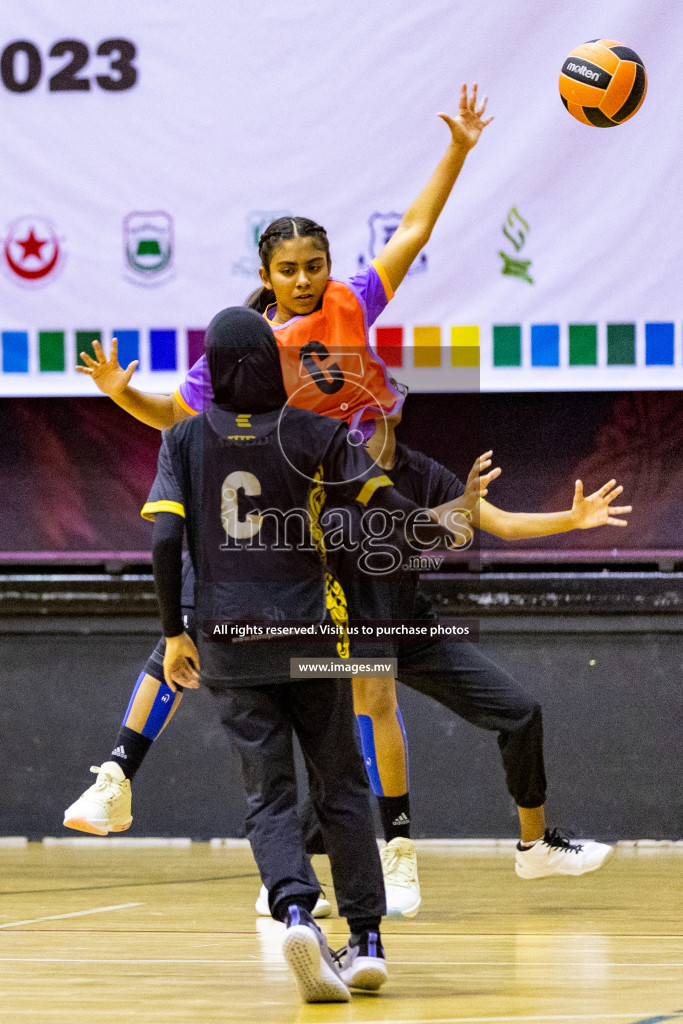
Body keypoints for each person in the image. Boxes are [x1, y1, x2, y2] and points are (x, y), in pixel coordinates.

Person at [65, 85, 493, 911]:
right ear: (263, 276)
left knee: (358, 687)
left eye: (313, 266)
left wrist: (458, 151)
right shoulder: (247, 349)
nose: (303, 280)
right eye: (288, 270)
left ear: (328, 268)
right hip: (289, 523)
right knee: (209, 632)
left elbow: (412, 233)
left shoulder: (352, 302)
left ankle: (379, 850)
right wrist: (122, 392)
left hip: (356, 509)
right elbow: (171, 415)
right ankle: (121, 773)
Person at [141, 306, 474, 1001]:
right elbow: (386, 504)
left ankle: (295, 909)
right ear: (274, 361)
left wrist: (175, 632)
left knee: (269, 793)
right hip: (313, 637)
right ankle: (369, 939)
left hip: (228, 640)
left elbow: (166, 542)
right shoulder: (316, 432)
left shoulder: (184, 442)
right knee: (342, 784)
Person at [295, 398, 631, 914]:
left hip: (409, 620)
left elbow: (500, 522)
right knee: (359, 751)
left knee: (519, 713)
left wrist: (572, 518)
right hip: (348, 624)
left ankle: (535, 848)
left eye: (378, 408)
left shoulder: (417, 470)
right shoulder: (316, 471)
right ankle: (311, 866)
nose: (364, 420)